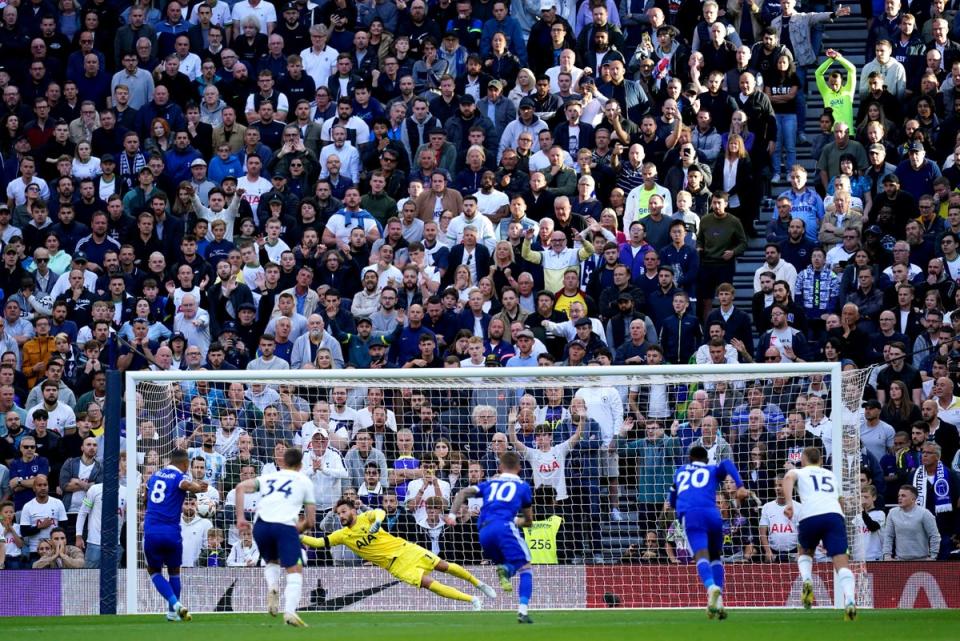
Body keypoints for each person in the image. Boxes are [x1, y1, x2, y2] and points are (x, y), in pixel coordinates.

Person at [301, 498, 495, 608]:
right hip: (396, 566)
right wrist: (299, 537)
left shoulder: (365, 518)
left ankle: (479, 584)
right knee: (430, 584)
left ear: (352, 510)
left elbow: (379, 512)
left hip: (406, 549)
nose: (341, 516)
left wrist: (377, 523)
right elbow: (319, 542)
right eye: (338, 514)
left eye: (343, 512)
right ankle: (472, 600)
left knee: (442, 566)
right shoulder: (342, 535)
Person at [447, 450, 534, 623]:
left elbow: (462, 493)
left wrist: (451, 515)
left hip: (484, 533)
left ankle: (506, 569)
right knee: (526, 568)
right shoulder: (523, 487)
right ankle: (523, 611)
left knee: (507, 561)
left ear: (500, 467)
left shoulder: (490, 484)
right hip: (504, 528)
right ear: (519, 468)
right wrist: (515, 519)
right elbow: (528, 521)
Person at [234, 446, 316, 627]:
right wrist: (298, 529)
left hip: (261, 526)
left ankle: (272, 586)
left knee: (272, 560)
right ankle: (289, 612)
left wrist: (240, 518)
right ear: (301, 465)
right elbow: (310, 520)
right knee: (295, 569)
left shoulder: (269, 477)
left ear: (283, 462)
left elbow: (240, 487)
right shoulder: (304, 481)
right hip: (284, 526)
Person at [669, 445, 749, 619]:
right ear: (706, 460)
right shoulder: (711, 469)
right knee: (715, 556)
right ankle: (719, 603)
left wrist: (678, 507)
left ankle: (711, 587)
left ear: (689, 458)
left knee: (700, 555)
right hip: (713, 514)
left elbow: (672, 498)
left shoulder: (680, 471)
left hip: (691, 515)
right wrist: (740, 485)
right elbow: (727, 462)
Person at [782, 447, 857, 620]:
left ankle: (807, 579)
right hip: (834, 516)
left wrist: (789, 503)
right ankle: (850, 600)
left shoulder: (799, 472)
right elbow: (840, 501)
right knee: (841, 562)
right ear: (821, 461)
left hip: (810, 515)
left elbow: (787, 478)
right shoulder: (831, 476)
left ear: (803, 459)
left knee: (805, 550)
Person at [142, 449, 208, 622]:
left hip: (152, 531)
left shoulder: (154, 476)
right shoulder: (180, 477)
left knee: (154, 570)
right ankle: (173, 610)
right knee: (174, 572)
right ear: (185, 464)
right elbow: (187, 486)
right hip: (172, 533)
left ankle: (175, 607)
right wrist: (198, 487)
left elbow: (144, 498)